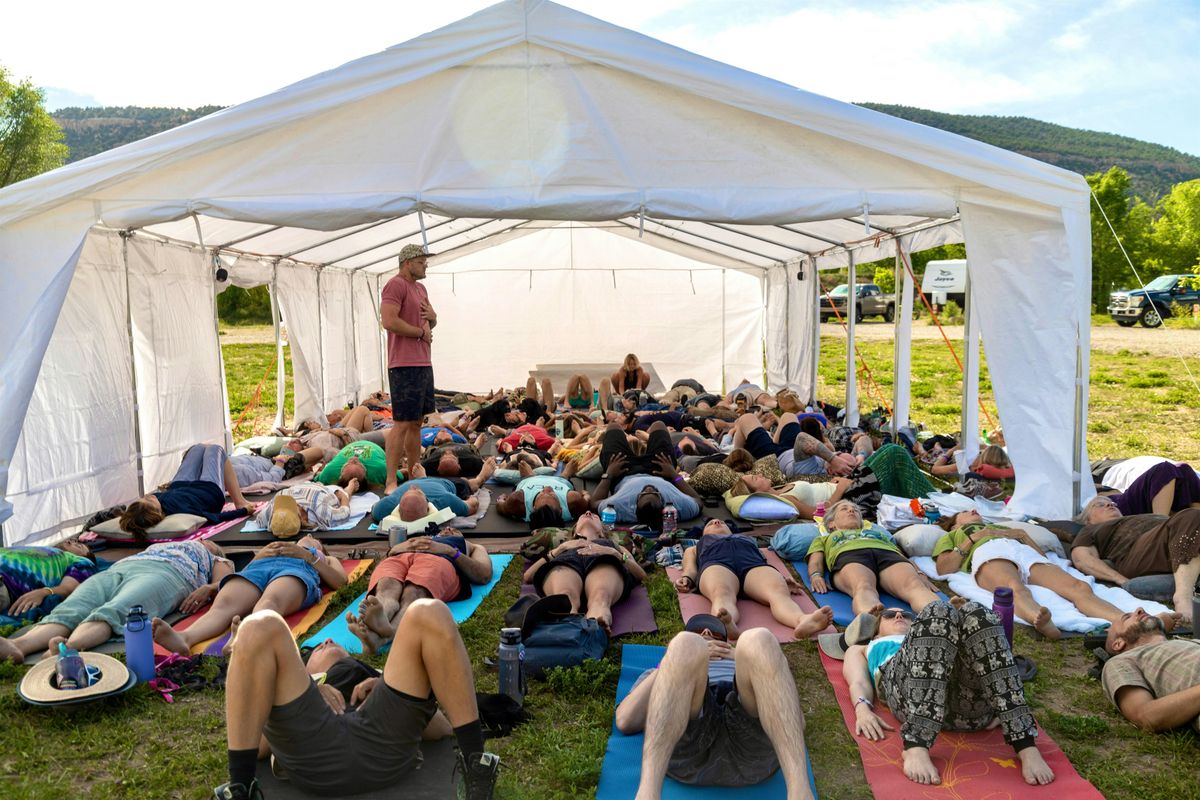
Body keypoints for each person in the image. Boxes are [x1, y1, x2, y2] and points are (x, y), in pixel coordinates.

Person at [214, 601, 499, 800]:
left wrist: (384, 681)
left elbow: (441, 728)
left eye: (332, 643)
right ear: (301, 665)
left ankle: (478, 767)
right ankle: (240, 790)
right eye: (317, 647)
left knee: (430, 610)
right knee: (260, 623)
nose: (327, 642)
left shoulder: (377, 676)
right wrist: (311, 687)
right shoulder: (295, 685)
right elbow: (259, 745)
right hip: (314, 748)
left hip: (383, 739)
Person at [836, 601, 1055, 787]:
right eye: (889, 615)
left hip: (967, 710)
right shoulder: (865, 647)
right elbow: (857, 681)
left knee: (976, 612)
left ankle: (1024, 743)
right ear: (875, 631)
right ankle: (916, 745)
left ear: (915, 624)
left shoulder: (935, 627)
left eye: (906, 614)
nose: (899, 615)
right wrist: (862, 709)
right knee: (938, 610)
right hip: (910, 699)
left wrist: (998, 702)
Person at [614, 616, 816, 800]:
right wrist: (669, 663)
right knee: (686, 644)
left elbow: (798, 723)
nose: (706, 633)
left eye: (715, 633)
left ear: (726, 643)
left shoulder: (745, 662)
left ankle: (800, 794)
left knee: (760, 639)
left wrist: (743, 656)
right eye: (698, 631)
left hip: (751, 748)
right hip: (690, 748)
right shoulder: (661, 673)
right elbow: (625, 720)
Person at [933, 510, 1180, 640]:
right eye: (964, 511)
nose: (973, 509)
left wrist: (1023, 536)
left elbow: (1043, 557)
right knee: (1014, 587)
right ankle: (1040, 621)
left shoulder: (1001, 527)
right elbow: (944, 568)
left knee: (1079, 587)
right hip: (989, 552)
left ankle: (1128, 622)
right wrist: (973, 538)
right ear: (954, 523)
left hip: (1021, 550)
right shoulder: (954, 535)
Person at [0, 540, 231, 663]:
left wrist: (208, 588)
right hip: (121, 568)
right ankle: (18, 646)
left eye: (209, 541)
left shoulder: (213, 557)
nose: (204, 539)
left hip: (170, 573)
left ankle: (67, 649)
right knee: (73, 606)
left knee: (119, 610)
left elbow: (224, 583)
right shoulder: (161, 545)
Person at [152, 536, 347, 657]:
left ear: (320, 547)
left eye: (314, 539)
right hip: (257, 570)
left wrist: (308, 556)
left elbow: (340, 581)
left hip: (297, 571)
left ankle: (242, 639)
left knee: (270, 601)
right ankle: (185, 638)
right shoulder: (275, 547)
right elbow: (245, 572)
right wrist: (259, 556)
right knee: (224, 605)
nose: (309, 536)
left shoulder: (324, 557)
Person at [675, 519, 832, 639]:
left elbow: (764, 560)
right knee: (721, 592)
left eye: (721, 522)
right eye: (710, 523)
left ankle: (802, 620)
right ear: (702, 534)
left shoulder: (748, 540)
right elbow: (690, 567)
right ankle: (726, 624)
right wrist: (687, 577)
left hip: (752, 565)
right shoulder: (695, 547)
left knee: (778, 591)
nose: (717, 522)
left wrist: (783, 579)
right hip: (717, 564)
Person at [346, 533, 493, 655]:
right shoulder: (416, 538)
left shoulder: (470, 546)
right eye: (444, 528)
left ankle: (384, 634)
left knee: (415, 592)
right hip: (398, 557)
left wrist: (451, 551)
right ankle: (376, 630)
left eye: (454, 530)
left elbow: (484, 574)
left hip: (439, 559)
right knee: (386, 586)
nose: (448, 528)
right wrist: (394, 550)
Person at [1071, 499, 1200, 623]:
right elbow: (1082, 559)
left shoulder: (1136, 517)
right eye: (1100, 505)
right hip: (1139, 551)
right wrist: (1119, 579)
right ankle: (1184, 597)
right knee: (1191, 515)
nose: (1110, 505)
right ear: (1088, 520)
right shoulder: (1090, 529)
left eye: (1112, 503)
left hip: (1178, 532)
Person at [806, 500, 940, 615]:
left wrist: (919, 573)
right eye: (844, 509)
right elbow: (815, 560)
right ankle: (874, 619)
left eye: (855, 510)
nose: (851, 511)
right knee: (863, 586)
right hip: (850, 555)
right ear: (831, 523)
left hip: (887, 554)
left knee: (914, 584)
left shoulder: (878, 534)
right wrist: (816, 575)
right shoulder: (823, 539)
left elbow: (901, 555)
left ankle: (941, 616)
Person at [522, 511, 646, 633]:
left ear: (602, 532)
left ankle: (597, 624)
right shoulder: (564, 545)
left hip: (604, 559)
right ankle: (568, 627)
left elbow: (641, 575)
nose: (588, 512)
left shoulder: (613, 546)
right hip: (567, 561)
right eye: (582, 515)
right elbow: (528, 576)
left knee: (601, 595)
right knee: (565, 597)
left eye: (595, 516)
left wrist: (615, 554)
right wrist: (559, 550)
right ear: (575, 531)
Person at [381, 243, 438, 495]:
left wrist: (433, 318)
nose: (425, 266)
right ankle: (390, 481)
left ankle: (415, 473)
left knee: (416, 423)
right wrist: (419, 333)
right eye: (421, 262)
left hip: (423, 362)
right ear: (407, 263)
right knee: (402, 423)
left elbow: (428, 322)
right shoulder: (396, 285)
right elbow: (389, 321)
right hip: (403, 364)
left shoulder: (421, 288)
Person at [118, 444, 256, 542]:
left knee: (197, 449)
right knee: (216, 449)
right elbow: (215, 517)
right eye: (149, 500)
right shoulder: (182, 511)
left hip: (180, 485)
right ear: (158, 512)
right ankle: (240, 501)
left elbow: (132, 515)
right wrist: (243, 511)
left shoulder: (151, 504)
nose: (149, 496)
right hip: (208, 491)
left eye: (143, 498)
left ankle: (200, 451)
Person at [1101, 607, 1200, 732]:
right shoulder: (1122, 661)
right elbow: (1144, 715)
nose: (1140, 609)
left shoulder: (1188, 643)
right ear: (1118, 643)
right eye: (1127, 617)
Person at [589, 422, 702, 527]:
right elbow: (697, 500)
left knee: (613, 427)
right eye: (655, 492)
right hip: (661, 471)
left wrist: (609, 475)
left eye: (643, 493)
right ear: (663, 504)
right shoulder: (678, 508)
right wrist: (674, 475)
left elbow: (594, 503)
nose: (648, 488)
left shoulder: (620, 507)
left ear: (634, 505)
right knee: (658, 425)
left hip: (623, 473)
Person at [0, 539, 98, 625]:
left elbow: (67, 588)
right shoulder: (42, 550)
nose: (69, 541)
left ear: (85, 555)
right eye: (72, 540)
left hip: (5, 581)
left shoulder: (83, 562)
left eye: (78, 546)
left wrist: (44, 592)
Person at [730, 412, 858, 478]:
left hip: (774, 457)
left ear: (832, 470)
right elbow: (864, 441)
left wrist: (833, 459)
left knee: (746, 418)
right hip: (793, 449)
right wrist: (861, 455)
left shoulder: (812, 471)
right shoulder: (827, 463)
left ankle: (735, 459)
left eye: (838, 457)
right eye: (839, 454)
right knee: (788, 416)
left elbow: (802, 438)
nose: (836, 454)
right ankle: (771, 440)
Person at [496, 462, 590, 528]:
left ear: (533, 508)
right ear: (561, 510)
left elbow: (500, 504)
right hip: (561, 481)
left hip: (529, 481)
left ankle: (529, 475)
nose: (546, 488)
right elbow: (587, 499)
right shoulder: (574, 501)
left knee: (522, 463)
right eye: (552, 494)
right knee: (572, 465)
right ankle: (566, 474)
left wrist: (503, 498)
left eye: (540, 494)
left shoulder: (517, 501)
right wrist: (585, 494)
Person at [370, 469, 484, 524]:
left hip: (419, 479)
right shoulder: (444, 500)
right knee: (467, 483)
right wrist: (471, 498)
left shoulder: (386, 506)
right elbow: (473, 505)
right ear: (429, 507)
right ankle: (480, 478)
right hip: (446, 483)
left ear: (398, 508)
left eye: (410, 490)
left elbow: (374, 507)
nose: (414, 487)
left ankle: (423, 476)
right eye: (418, 491)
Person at [1099, 459, 1200, 517]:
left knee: (1184, 468)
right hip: (1122, 505)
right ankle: (1160, 526)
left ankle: (1195, 524)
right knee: (1165, 469)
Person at [254, 481, 360, 535]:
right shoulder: (320, 512)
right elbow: (345, 512)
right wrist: (345, 494)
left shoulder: (269, 513)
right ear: (303, 518)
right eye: (293, 506)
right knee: (343, 493)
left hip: (299, 486)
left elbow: (259, 518)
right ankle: (349, 487)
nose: (297, 503)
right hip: (327, 490)